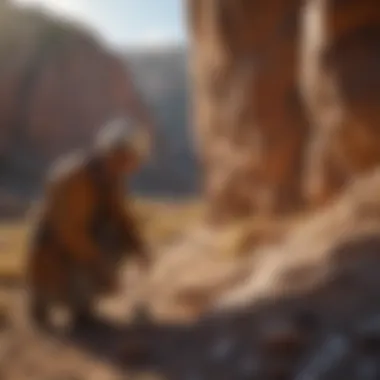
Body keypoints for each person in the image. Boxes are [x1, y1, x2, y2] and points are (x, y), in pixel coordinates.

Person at [26, 117, 152, 330]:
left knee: (112, 238)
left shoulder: (111, 177)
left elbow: (120, 216)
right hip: (55, 249)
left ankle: (82, 305)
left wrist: (138, 248)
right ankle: (64, 304)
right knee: (84, 258)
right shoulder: (74, 178)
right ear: (118, 154)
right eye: (131, 158)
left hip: (80, 241)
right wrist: (101, 266)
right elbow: (69, 232)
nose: (133, 165)